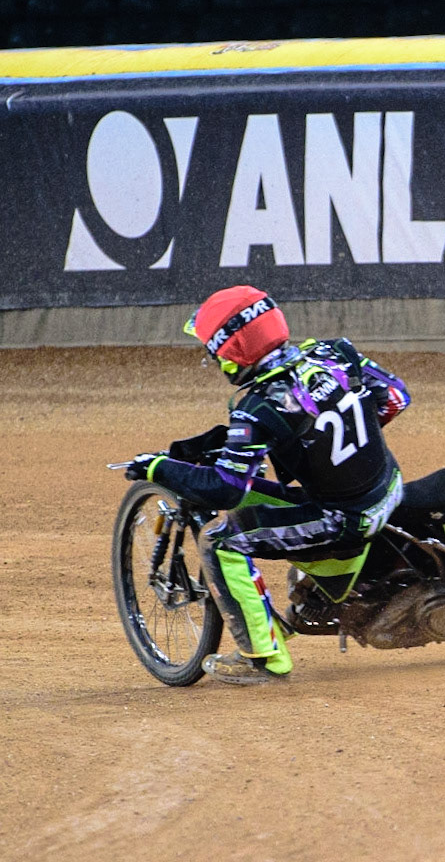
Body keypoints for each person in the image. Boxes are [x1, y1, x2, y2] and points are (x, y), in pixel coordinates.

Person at [122, 286, 410, 684]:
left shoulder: (260, 406)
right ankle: (311, 598)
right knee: (274, 501)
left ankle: (263, 658)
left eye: (216, 351)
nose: (214, 358)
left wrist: (158, 469)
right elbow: (395, 398)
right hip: (390, 486)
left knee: (220, 541)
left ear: (233, 352)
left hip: (347, 517)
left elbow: (226, 490)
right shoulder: (332, 352)